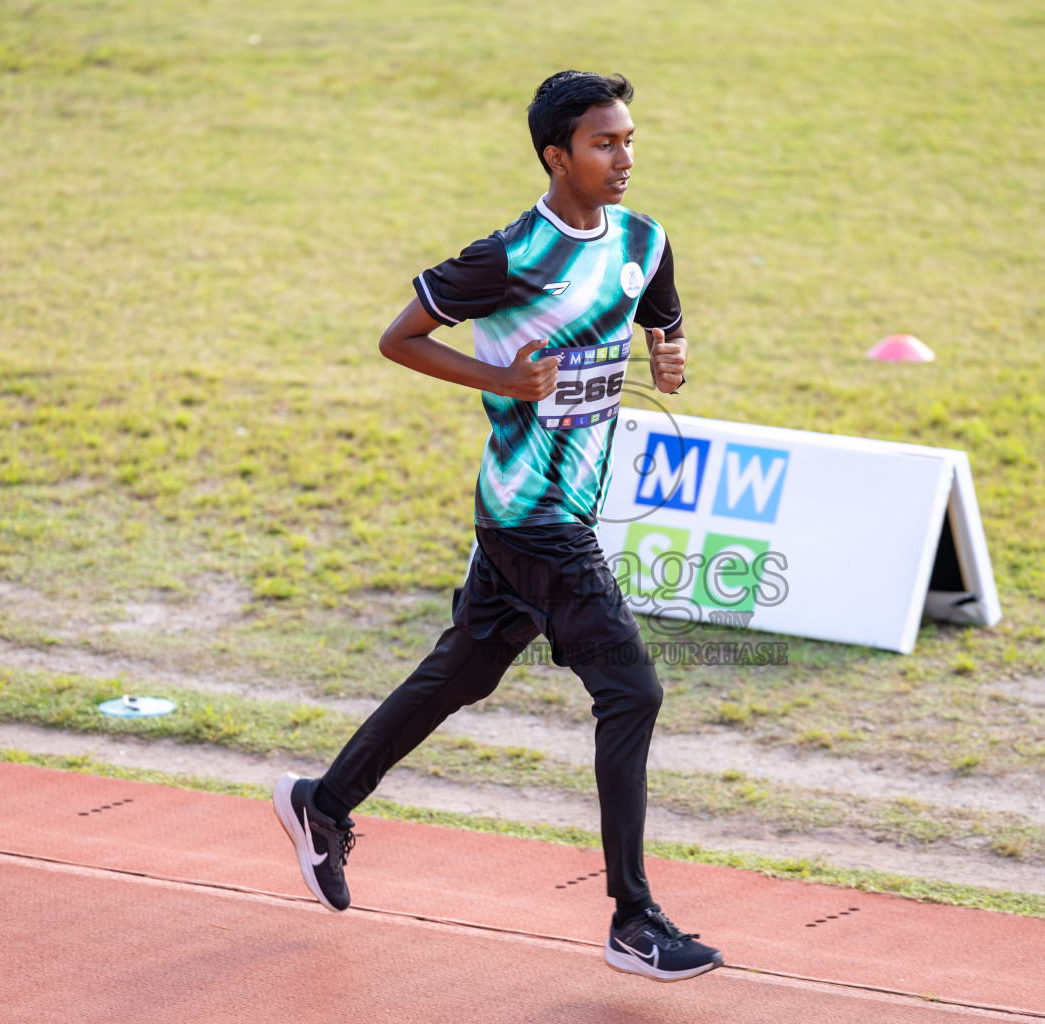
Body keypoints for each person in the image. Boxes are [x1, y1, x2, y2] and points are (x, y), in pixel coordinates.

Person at [272, 70, 723, 983]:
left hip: (566, 505)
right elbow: (399, 339)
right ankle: (633, 919)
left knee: (464, 672)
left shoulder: (645, 239)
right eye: (605, 143)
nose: (625, 157)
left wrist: (670, 360)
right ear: (557, 156)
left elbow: (661, 326)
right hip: (532, 516)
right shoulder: (510, 256)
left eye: (631, 139)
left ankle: (323, 802)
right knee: (632, 691)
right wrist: (503, 381)